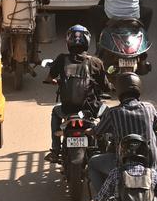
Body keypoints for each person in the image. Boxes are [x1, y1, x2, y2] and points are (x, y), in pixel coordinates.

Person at [44, 25, 110, 163]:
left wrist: (56, 82)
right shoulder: (95, 62)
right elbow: (105, 86)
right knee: (107, 113)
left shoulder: (61, 59)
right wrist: (112, 87)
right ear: (87, 41)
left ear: (68, 41)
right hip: (90, 109)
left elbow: (49, 78)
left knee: (55, 112)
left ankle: (55, 150)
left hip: (67, 109)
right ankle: (105, 147)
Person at [93, 72, 157, 175]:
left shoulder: (113, 113)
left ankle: (104, 191)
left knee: (93, 163)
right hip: (151, 167)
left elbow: (97, 131)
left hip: (122, 168)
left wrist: (91, 129)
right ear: (138, 87)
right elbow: (156, 126)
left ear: (119, 90)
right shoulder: (149, 108)